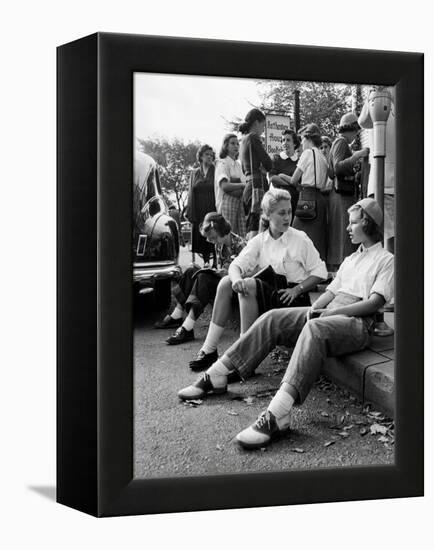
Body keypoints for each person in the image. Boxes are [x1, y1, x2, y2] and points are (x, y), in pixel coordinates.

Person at [178, 198, 394, 452]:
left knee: (314, 328)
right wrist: (314, 310)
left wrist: (327, 314)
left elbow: (373, 303)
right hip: (332, 312)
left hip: (357, 322)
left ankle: (278, 413)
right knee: (274, 317)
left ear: (367, 224)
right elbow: (331, 292)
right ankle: (217, 374)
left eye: (353, 223)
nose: (347, 227)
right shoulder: (350, 260)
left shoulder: (386, 259)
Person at [187, 188, 327, 372]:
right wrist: (236, 279)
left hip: (291, 297)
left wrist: (297, 289)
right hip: (269, 293)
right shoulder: (260, 240)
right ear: (268, 215)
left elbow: (320, 272)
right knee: (227, 282)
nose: (287, 217)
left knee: (249, 285)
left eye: (289, 212)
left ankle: (243, 357)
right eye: (282, 213)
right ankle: (209, 348)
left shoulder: (300, 239)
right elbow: (235, 266)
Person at [155, 212, 246, 344]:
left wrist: (225, 273)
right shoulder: (220, 243)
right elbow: (220, 267)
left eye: (213, 238)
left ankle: (187, 327)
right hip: (222, 283)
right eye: (210, 239)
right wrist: (212, 269)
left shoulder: (241, 245)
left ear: (220, 230)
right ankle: (177, 315)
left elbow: (246, 274)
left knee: (203, 277)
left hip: (233, 289)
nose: (212, 242)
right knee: (192, 270)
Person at [327, 113, 370, 271]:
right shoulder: (341, 142)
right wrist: (358, 154)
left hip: (339, 195)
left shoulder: (338, 143)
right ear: (350, 128)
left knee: (342, 234)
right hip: (342, 196)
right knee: (345, 233)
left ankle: (341, 270)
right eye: (355, 130)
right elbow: (338, 167)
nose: (356, 134)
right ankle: (344, 270)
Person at [289, 123, 329, 261]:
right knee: (317, 239)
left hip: (306, 198)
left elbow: (294, 179)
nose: (301, 143)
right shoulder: (323, 157)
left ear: (307, 138)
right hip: (320, 199)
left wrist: (298, 186)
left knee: (295, 236)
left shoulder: (307, 153)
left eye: (302, 140)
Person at [239, 108, 272, 239]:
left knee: (251, 224)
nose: (263, 130)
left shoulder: (243, 141)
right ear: (256, 123)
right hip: (257, 186)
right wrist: (265, 168)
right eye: (263, 125)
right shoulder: (253, 137)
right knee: (260, 226)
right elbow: (268, 163)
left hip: (248, 185)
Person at [186, 144, 217, 266]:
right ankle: (205, 262)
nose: (210, 157)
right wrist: (190, 212)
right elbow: (190, 192)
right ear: (200, 156)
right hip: (198, 208)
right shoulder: (194, 173)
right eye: (207, 154)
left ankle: (215, 260)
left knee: (213, 231)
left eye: (211, 155)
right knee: (201, 234)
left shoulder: (216, 170)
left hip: (212, 206)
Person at [215, 134, 246, 238]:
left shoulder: (238, 164)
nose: (236, 146)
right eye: (232, 143)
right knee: (228, 234)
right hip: (226, 203)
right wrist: (241, 185)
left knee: (240, 235)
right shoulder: (222, 163)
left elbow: (244, 183)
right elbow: (225, 186)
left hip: (239, 202)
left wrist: (238, 184)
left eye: (238, 144)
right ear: (225, 146)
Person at [268, 129, 301, 218]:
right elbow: (272, 178)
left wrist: (282, 176)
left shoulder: (299, 161)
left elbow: (300, 184)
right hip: (279, 201)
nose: (285, 143)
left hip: (296, 202)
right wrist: (291, 182)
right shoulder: (276, 158)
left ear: (294, 143)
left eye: (288, 140)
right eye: (283, 140)